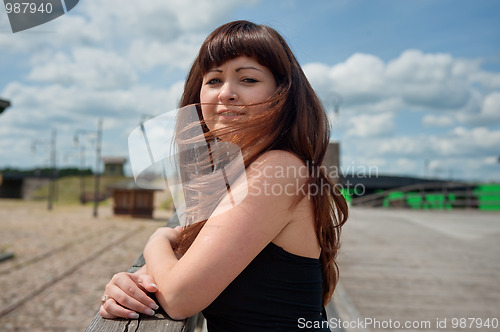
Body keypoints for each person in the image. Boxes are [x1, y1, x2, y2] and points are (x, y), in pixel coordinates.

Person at [99, 20, 348, 331]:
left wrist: (157, 237)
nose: (226, 93)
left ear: (283, 94)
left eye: (247, 79)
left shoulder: (277, 169)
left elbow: (178, 297)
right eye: (214, 80)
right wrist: (125, 286)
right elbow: (168, 275)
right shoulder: (234, 175)